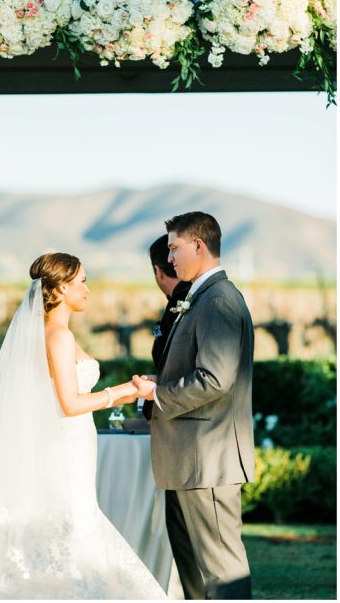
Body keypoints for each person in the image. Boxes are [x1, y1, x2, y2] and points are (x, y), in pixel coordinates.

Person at [0, 253, 167, 599]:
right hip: (64, 446)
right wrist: (124, 391)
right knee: (69, 526)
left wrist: (128, 392)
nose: (88, 289)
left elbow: (61, 397)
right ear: (59, 288)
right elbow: (70, 404)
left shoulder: (55, 333)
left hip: (70, 442)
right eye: (82, 282)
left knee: (68, 524)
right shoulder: (57, 336)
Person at [134, 212, 255, 599]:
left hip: (209, 458)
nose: (169, 258)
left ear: (198, 246)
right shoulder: (200, 297)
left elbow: (215, 380)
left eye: (174, 248)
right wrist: (161, 382)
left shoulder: (218, 300)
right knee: (201, 578)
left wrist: (158, 395)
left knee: (223, 574)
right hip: (194, 459)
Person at [142, 234, 193, 421]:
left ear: (158, 271)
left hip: (180, 417)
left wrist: (152, 400)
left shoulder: (183, 302)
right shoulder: (196, 295)